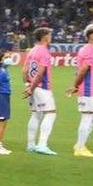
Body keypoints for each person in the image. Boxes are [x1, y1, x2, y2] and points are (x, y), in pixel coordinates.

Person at [67, 22, 93, 158]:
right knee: (87, 117)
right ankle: (80, 147)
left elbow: (79, 70)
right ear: (92, 36)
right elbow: (83, 70)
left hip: (91, 90)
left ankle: (80, 144)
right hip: (87, 90)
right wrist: (76, 85)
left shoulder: (88, 49)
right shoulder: (89, 50)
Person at [23, 26, 57, 155]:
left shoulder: (32, 51)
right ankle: (42, 145)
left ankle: (30, 144)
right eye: (50, 35)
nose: (51, 38)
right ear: (45, 37)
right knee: (50, 113)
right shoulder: (44, 52)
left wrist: (27, 85)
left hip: (32, 86)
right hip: (41, 87)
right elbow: (40, 73)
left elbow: (25, 70)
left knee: (35, 114)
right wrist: (32, 87)